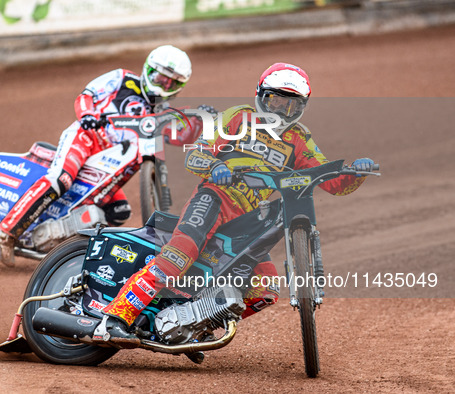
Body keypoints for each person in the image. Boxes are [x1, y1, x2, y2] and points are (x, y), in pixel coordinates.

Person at [98, 62, 376, 348]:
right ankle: (116, 318)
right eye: (275, 100)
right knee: (179, 256)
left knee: (265, 288)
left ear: (302, 106)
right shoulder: (238, 118)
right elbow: (195, 155)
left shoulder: (299, 139)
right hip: (214, 198)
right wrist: (215, 165)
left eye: (290, 105)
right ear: (260, 95)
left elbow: (329, 180)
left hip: (248, 221)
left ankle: (193, 324)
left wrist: (355, 172)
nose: (281, 110)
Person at [0, 45, 194, 267]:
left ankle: (60, 246)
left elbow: (180, 136)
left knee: (119, 211)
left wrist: (205, 122)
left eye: (171, 84)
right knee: (61, 180)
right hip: (86, 138)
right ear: (148, 69)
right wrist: (87, 115)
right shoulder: (122, 78)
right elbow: (86, 95)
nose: (163, 87)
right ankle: (5, 233)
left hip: (106, 163)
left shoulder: (162, 113)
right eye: (160, 78)